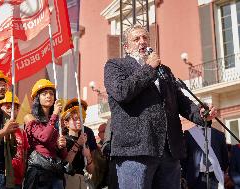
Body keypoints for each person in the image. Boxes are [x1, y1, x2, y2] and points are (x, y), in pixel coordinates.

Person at [103, 24, 218, 189]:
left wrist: (201, 114)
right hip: (136, 151)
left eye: (146, 38)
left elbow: (180, 101)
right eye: (136, 39)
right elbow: (122, 92)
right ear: (126, 47)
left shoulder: (164, 70)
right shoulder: (115, 66)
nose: (142, 42)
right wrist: (149, 68)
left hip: (168, 151)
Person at [23, 79, 67, 189]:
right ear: (37, 98)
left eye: (51, 93)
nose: (49, 96)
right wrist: (55, 114)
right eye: (44, 93)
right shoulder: (29, 117)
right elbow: (44, 137)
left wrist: (62, 146)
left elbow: (62, 155)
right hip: (38, 172)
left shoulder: (56, 121)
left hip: (55, 172)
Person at [61, 98, 97, 189]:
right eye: (75, 119)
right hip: (68, 179)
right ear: (66, 123)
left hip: (82, 180)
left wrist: (88, 156)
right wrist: (77, 144)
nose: (78, 121)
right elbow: (65, 164)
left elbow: (91, 171)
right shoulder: (64, 139)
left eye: (81, 119)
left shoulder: (84, 142)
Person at [182, 122, 228, 189]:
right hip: (196, 178)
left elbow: (225, 159)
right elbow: (184, 158)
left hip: (215, 177)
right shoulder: (188, 134)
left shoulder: (219, 135)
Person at [0, 91, 29, 189]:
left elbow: (24, 156)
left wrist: (23, 173)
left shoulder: (21, 132)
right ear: (0, 108)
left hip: (17, 180)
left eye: (14, 108)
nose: (11, 110)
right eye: (8, 107)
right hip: (2, 178)